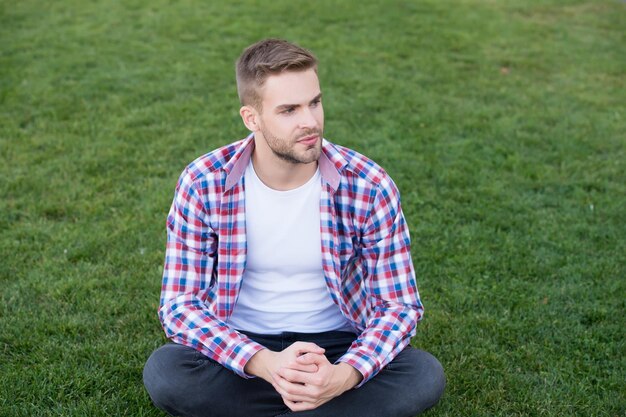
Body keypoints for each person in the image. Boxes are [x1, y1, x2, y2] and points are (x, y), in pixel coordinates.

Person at [143, 38, 445, 417]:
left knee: (421, 374)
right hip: (244, 350)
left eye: (314, 103)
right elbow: (180, 306)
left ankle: (310, 399)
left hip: (337, 347)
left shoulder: (368, 183)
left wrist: (345, 375)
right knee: (168, 371)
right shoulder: (203, 182)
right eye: (288, 110)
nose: (310, 122)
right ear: (251, 118)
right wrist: (265, 363)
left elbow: (398, 306)